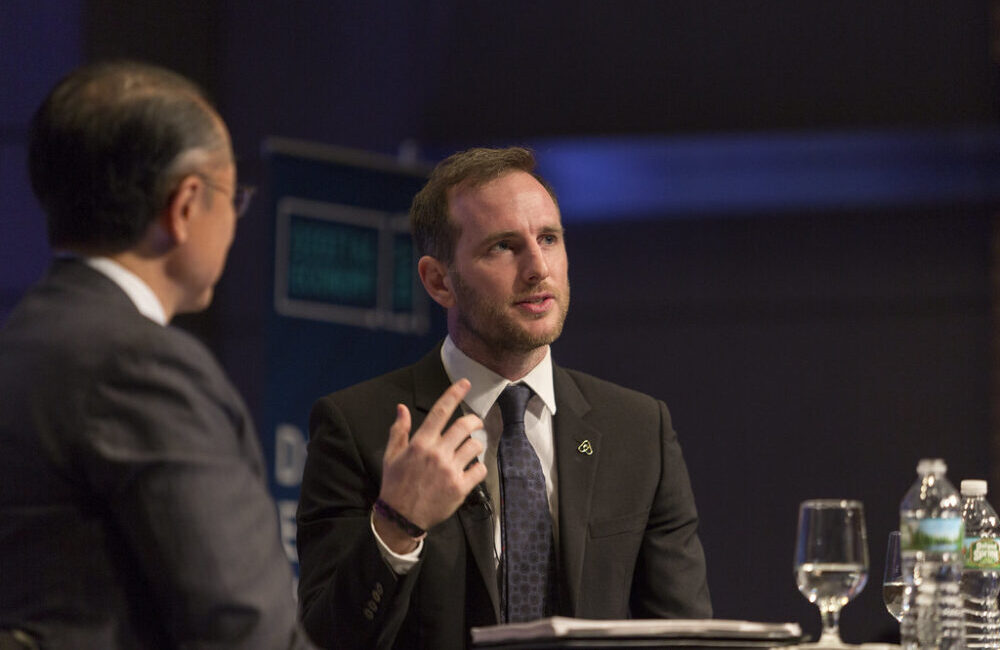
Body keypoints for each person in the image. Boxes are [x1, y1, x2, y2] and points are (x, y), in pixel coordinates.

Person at [296, 146, 711, 649]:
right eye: (503, 247)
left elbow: (685, 636)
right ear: (439, 281)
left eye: (549, 239)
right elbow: (325, 641)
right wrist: (397, 525)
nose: (538, 268)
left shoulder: (638, 430)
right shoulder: (358, 426)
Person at [0, 61, 315, 649]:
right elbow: (246, 628)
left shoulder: (22, 341)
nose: (234, 220)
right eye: (233, 197)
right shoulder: (139, 365)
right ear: (186, 204)